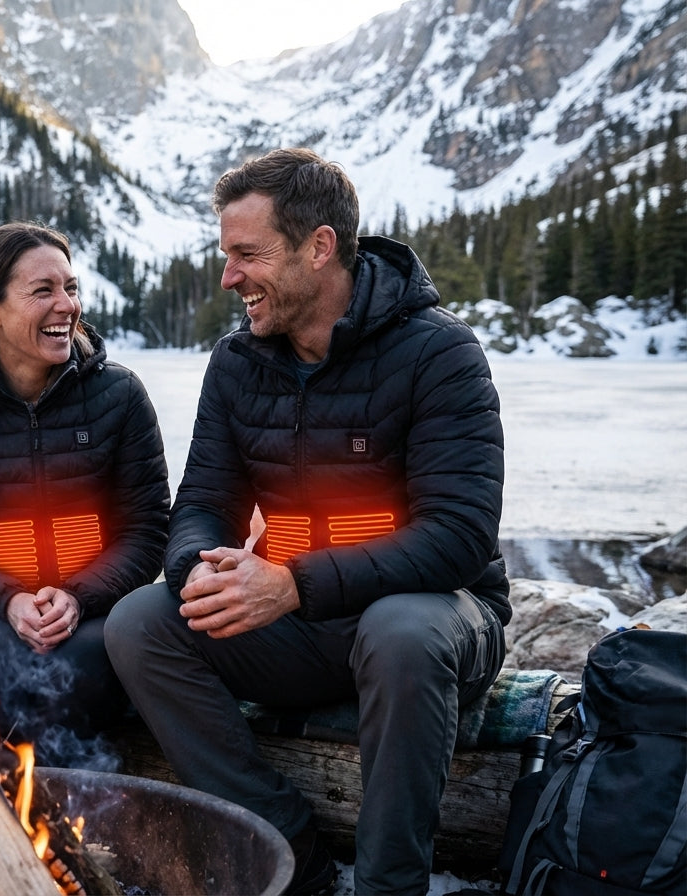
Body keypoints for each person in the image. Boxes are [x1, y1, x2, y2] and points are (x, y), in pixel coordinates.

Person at [104, 149, 509, 896]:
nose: (229, 277)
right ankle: (290, 858)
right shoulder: (237, 363)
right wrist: (202, 570)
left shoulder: (438, 352)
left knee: (400, 629)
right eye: (226, 255)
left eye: (248, 255)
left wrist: (292, 583)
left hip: (437, 622)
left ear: (319, 247)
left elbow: (459, 536)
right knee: (140, 622)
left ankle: (390, 886)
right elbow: (201, 504)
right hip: (302, 626)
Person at [0, 221, 170, 766]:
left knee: (83, 664)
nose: (66, 305)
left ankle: (61, 799)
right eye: (43, 291)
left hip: (94, 612)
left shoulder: (118, 396)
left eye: (70, 288)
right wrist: (9, 601)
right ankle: (4, 798)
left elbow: (147, 532)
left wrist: (77, 597)